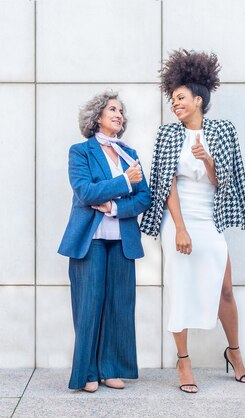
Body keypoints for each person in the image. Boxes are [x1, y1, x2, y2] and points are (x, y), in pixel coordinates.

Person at [140, 49, 245, 393]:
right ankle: (183, 360)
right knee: (180, 288)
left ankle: (234, 353)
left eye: (181, 98)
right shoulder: (167, 134)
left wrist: (207, 160)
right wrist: (179, 228)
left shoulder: (223, 131)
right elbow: (164, 183)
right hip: (179, 219)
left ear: (199, 99)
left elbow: (227, 183)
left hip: (210, 218)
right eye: (172, 99)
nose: (175, 104)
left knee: (225, 289)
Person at [58, 91, 150, 392]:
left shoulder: (129, 154)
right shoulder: (80, 151)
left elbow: (144, 198)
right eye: (113, 109)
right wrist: (124, 182)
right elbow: (85, 192)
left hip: (122, 239)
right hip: (90, 239)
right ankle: (88, 373)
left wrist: (113, 207)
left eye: (121, 111)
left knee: (119, 307)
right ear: (97, 116)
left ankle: (111, 369)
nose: (119, 115)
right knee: (89, 306)